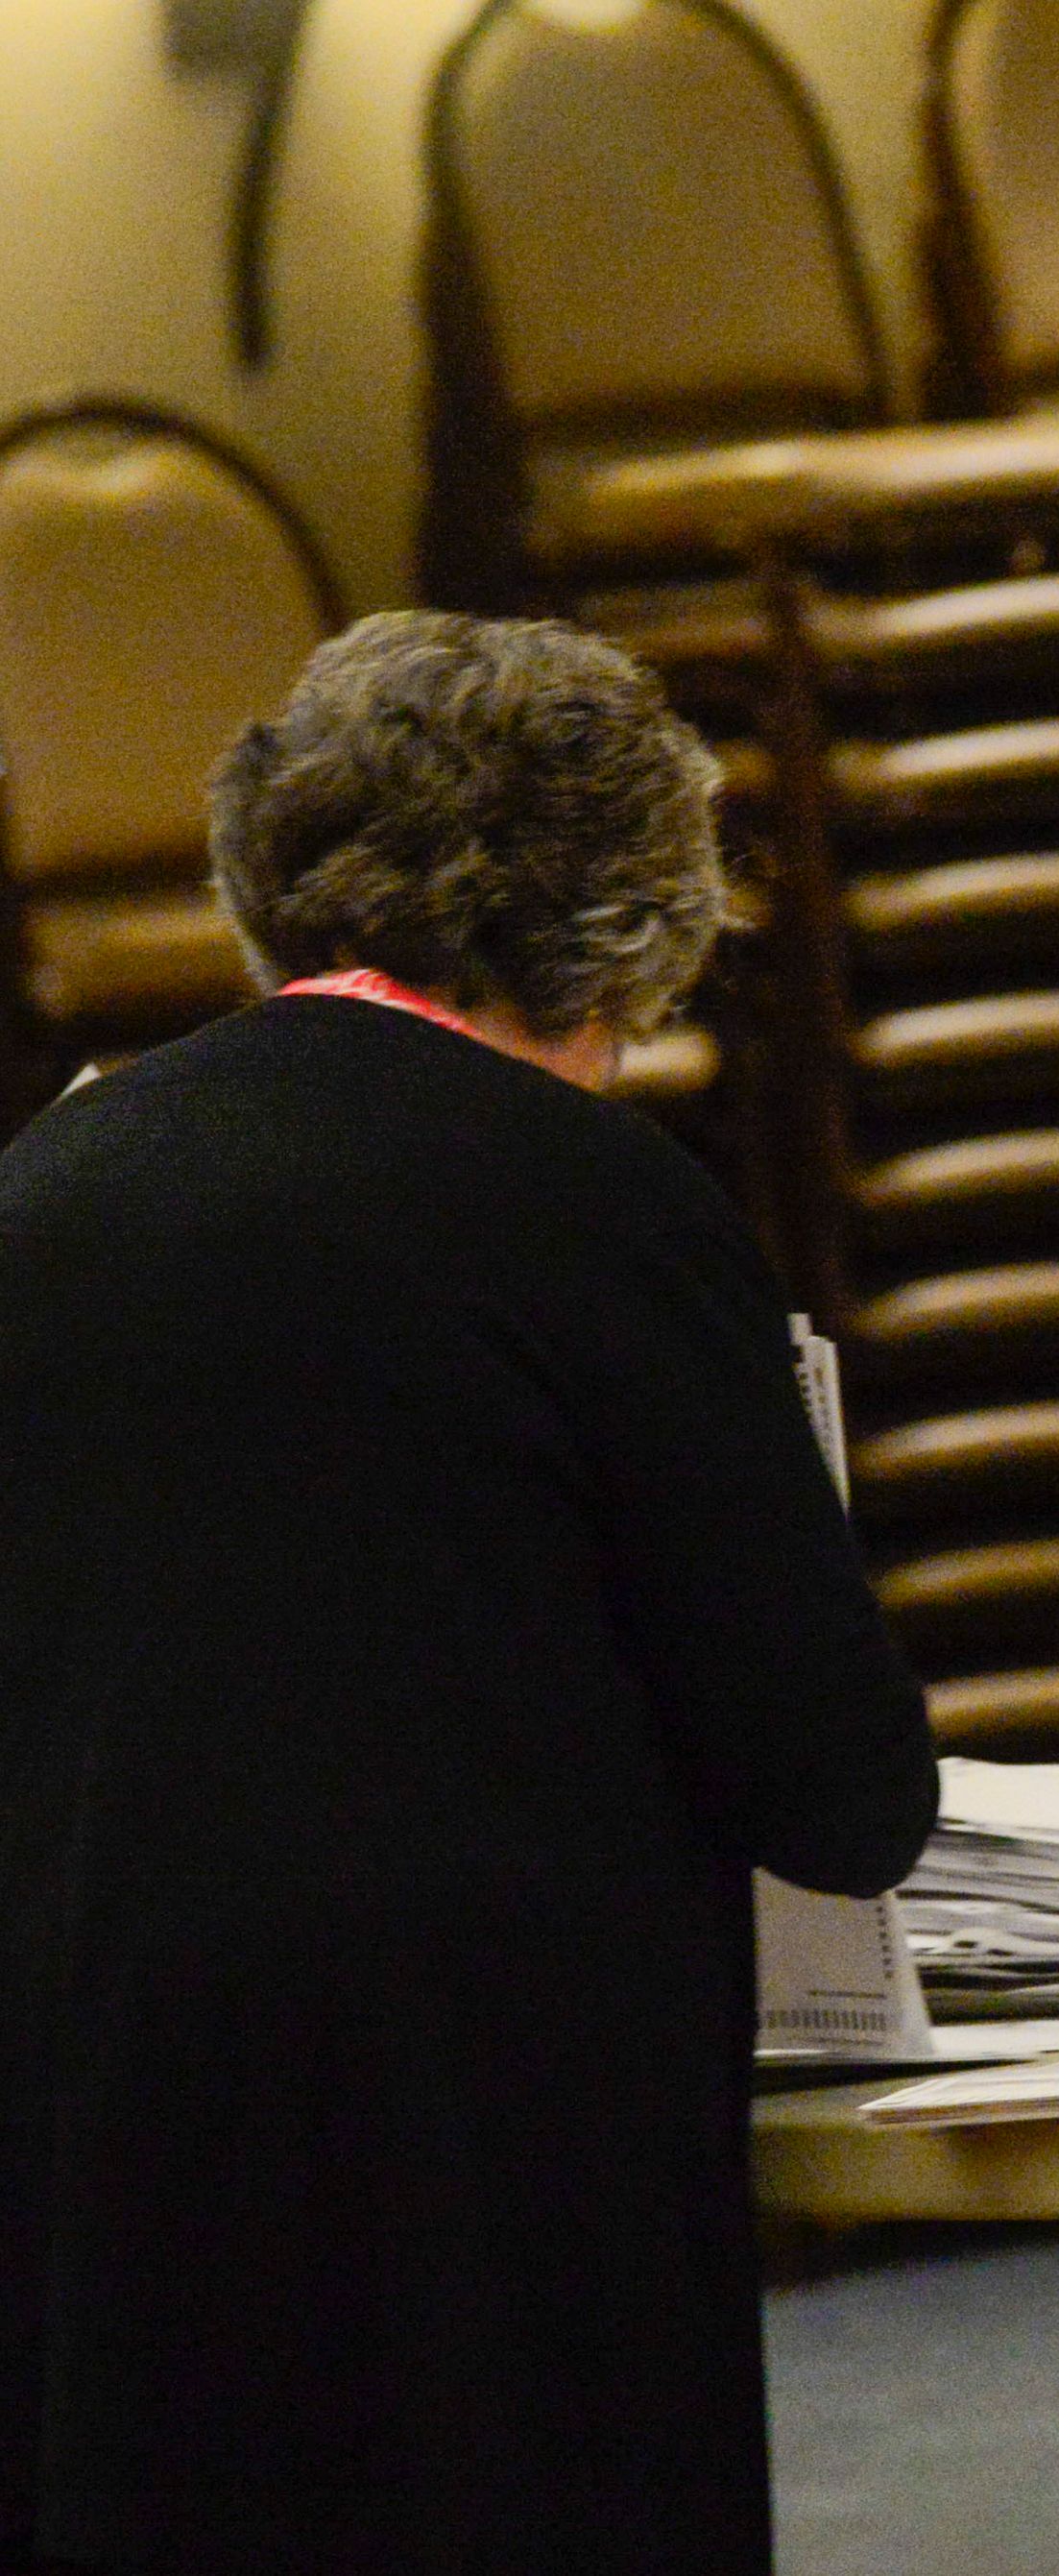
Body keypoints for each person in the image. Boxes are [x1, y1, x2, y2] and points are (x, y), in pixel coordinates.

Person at [0, 612, 939, 2575]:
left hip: (98, 2107)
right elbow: (833, 1787)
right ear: (626, 928)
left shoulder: (48, 1189)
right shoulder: (599, 1208)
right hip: (487, 2158)